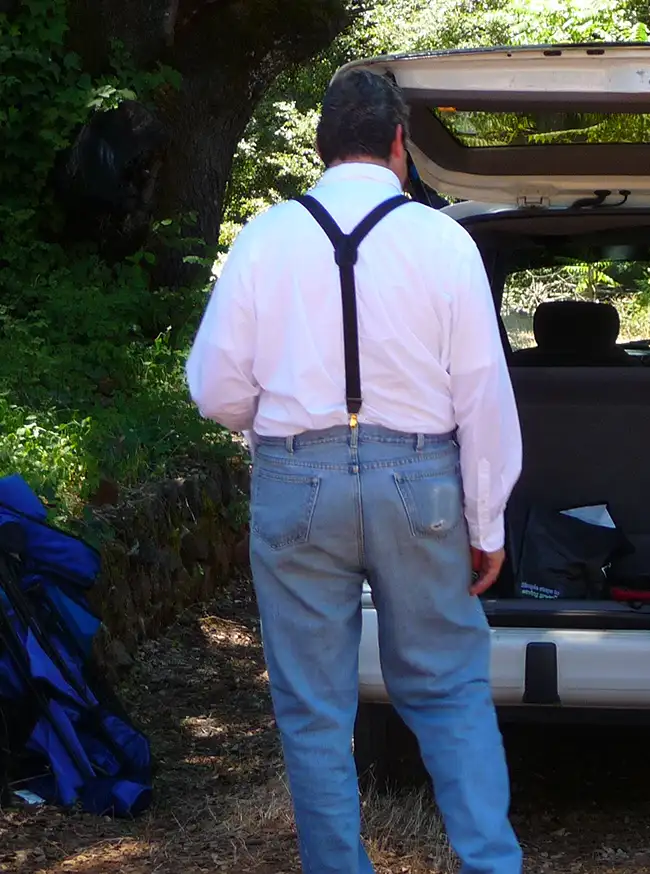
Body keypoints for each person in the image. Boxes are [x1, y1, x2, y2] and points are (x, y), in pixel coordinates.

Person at [186, 68, 525, 873]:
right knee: (448, 691)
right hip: (421, 480)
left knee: (312, 709)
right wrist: (488, 520)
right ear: (400, 146)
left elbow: (215, 390)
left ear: (319, 145)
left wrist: (278, 426)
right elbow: (482, 393)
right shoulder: (444, 241)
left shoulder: (265, 236)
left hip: (296, 481)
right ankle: (490, 864)